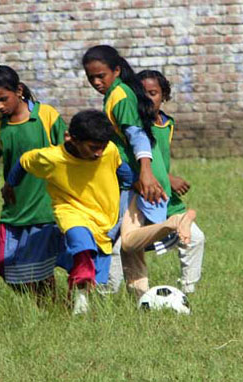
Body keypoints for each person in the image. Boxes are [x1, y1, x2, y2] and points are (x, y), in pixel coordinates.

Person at [4, 110, 193, 314]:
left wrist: (136, 188)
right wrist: (9, 185)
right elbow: (23, 161)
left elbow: (124, 173)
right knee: (82, 243)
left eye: (102, 147)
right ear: (72, 139)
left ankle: (80, 299)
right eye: (93, 147)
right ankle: (80, 292)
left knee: (97, 274)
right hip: (70, 211)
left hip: (105, 219)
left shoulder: (109, 150)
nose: (98, 153)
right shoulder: (51, 158)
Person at [83, 45, 180, 297]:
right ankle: (139, 295)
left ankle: (105, 294)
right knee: (126, 242)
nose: (95, 82)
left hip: (131, 178)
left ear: (116, 70)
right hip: (125, 176)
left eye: (100, 76)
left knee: (113, 238)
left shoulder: (121, 96)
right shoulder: (115, 93)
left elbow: (136, 135)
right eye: (90, 77)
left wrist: (144, 173)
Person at [105, 70, 206, 295]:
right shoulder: (134, 123)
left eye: (154, 93)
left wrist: (167, 178)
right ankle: (115, 295)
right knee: (122, 246)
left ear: (164, 96)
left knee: (195, 238)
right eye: (143, 93)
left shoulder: (167, 124)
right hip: (135, 191)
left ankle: (188, 291)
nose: (149, 98)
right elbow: (128, 156)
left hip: (162, 192)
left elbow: (157, 158)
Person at [0, 65, 67, 303]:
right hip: (14, 206)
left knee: (40, 265)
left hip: (44, 205)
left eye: (3, 99)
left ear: (19, 90)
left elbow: (67, 152)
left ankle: (52, 307)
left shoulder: (46, 116)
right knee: (2, 262)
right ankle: (45, 302)